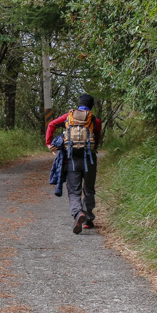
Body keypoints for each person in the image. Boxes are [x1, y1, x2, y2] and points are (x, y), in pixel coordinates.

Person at [46, 94, 103, 234]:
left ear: (79, 104)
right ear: (91, 106)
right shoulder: (95, 121)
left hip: (72, 159)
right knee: (89, 190)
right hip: (89, 160)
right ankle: (88, 221)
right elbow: (98, 140)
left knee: (73, 191)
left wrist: (49, 143)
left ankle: (78, 214)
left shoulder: (68, 116)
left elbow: (51, 124)